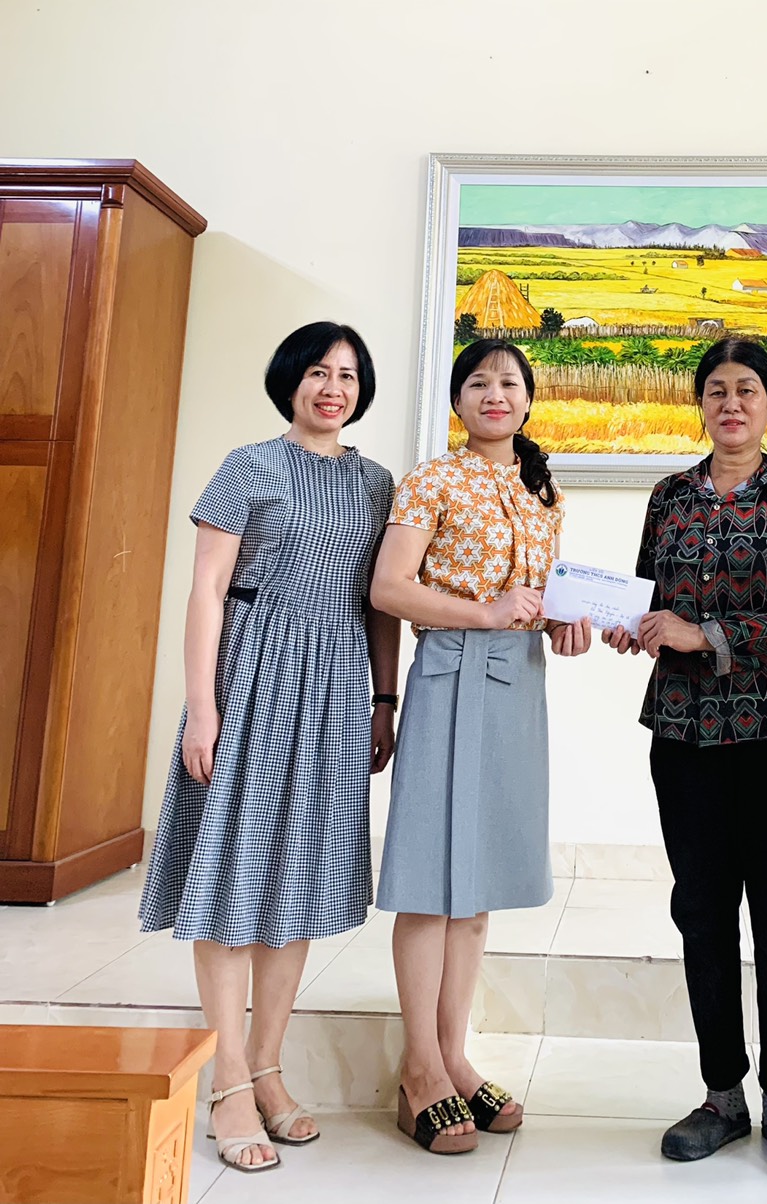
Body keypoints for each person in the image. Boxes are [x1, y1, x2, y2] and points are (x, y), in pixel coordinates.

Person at [139, 322, 400, 1173]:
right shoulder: (248, 465)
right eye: (319, 372)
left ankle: (268, 1068)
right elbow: (207, 589)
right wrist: (202, 708)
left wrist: (384, 700)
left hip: (335, 684)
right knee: (231, 872)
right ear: (290, 379)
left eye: (348, 375)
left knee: (299, 874)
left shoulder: (376, 483)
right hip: (250, 674)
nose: (333, 388)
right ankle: (226, 1084)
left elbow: (379, 604)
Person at [602, 337, 767, 1178]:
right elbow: (648, 595)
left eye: (746, 390)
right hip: (688, 734)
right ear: (699, 405)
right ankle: (721, 1098)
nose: (730, 404)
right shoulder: (668, 498)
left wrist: (702, 634)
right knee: (701, 915)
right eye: (716, 391)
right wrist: (632, 626)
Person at [370, 338, 589, 1156]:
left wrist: (565, 625)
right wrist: (485, 614)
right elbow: (388, 588)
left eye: (508, 383)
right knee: (432, 879)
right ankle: (419, 1069)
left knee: (479, 882)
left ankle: (455, 1057)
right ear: (457, 399)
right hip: (451, 675)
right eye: (478, 382)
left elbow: (540, 599)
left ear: (528, 400)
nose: (494, 393)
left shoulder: (542, 491)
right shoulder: (430, 478)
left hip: (517, 684)